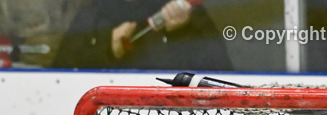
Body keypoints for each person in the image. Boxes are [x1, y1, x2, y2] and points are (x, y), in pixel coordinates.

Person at [52, 0, 233, 70]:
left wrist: (184, 31)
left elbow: (220, 79)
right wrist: (108, 49)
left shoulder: (184, 14)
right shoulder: (92, 16)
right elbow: (61, 78)